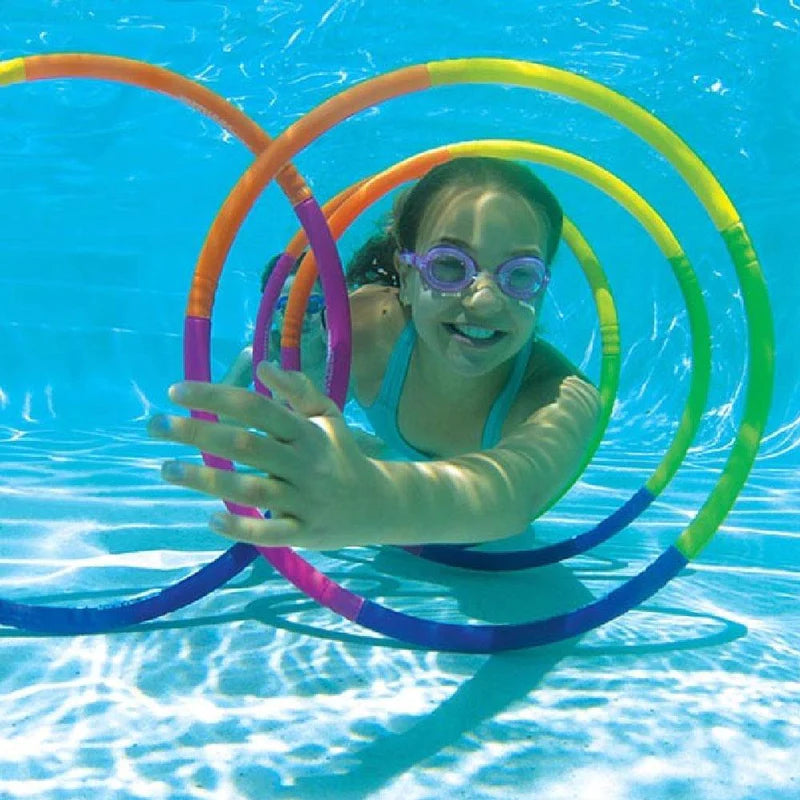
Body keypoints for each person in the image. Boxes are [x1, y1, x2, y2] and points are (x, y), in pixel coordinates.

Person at [148, 157, 600, 550]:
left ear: (542, 289)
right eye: (449, 266)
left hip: (494, 563)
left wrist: (371, 497)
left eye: (519, 275)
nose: (484, 301)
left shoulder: (561, 396)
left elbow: (513, 495)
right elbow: (305, 399)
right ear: (404, 275)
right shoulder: (358, 329)